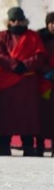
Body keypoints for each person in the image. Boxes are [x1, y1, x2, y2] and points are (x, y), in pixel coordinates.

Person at [0, 7, 47, 156]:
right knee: (5, 117)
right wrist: (15, 65)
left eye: (19, 20)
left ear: (24, 20)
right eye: (13, 20)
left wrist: (25, 65)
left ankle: (28, 146)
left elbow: (40, 55)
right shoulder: (2, 36)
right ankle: (3, 147)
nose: (16, 23)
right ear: (9, 21)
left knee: (27, 116)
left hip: (27, 82)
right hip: (6, 82)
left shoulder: (33, 36)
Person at [37, 12, 54, 156]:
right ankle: (40, 145)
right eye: (51, 23)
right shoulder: (40, 37)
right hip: (43, 81)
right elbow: (37, 56)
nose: (53, 26)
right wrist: (46, 71)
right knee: (42, 114)